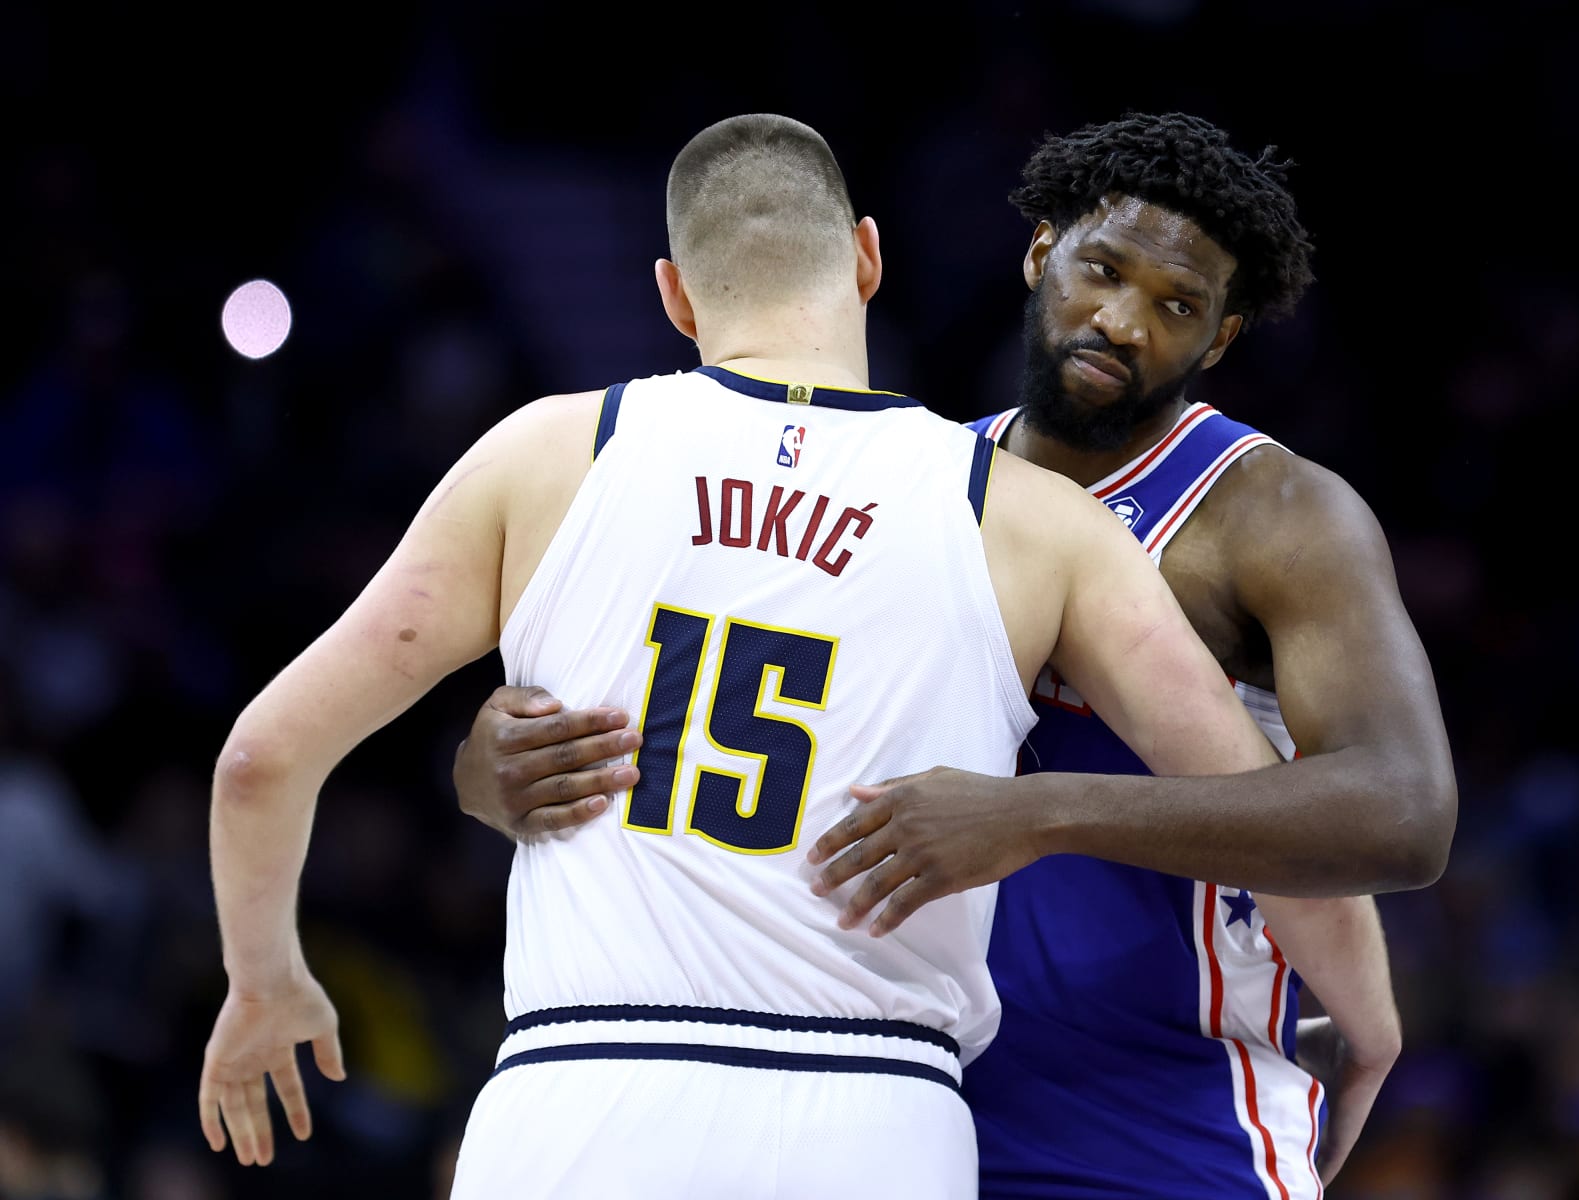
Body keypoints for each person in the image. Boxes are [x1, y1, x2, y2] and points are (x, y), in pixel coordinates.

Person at [194, 113, 1306, 1198]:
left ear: (675, 295)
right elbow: (1272, 823)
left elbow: (259, 759)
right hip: (875, 1112)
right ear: (868, 258)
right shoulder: (1027, 518)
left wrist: (264, 980)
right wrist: (1366, 1016)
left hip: (583, 1095)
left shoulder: (549, 451)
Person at [455, 111, 1456, 1195]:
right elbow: (710, 704)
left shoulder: (1271, 515)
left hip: (1162, 1124)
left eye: (1176, 308)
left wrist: (1035, 814)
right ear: (1040, 252)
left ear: (1219, 339)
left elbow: (1399, 813)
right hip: (899, 1111)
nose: (1121, 323)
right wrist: (493, 768)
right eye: (1101, 271)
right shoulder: (921, 482)